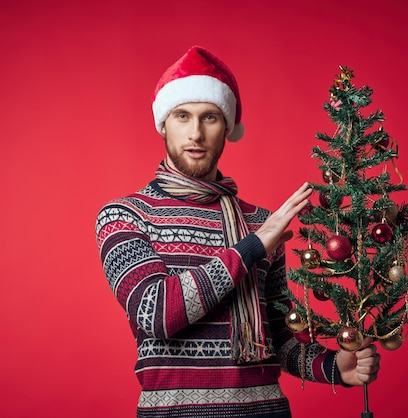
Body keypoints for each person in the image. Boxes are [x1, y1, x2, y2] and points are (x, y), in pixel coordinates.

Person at [95, 45, 380, 418]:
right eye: (183, 116)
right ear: (164, 123)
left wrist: (333, 367)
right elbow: (157, 313)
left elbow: (277, 337)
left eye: (210, 117)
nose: (196, 132)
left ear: (227, 128)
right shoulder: (126, 214)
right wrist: (251, 247)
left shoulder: (262, 222)